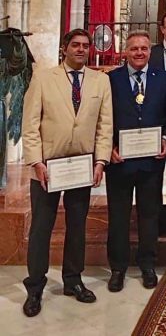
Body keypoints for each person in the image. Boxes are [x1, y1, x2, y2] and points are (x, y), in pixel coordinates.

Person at [21, 29, 113, 317]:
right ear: (65, 48)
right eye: (75, 45)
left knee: (77, 226)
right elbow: (30, 124)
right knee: (41, 228)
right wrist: (37, 162)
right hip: (48, 167)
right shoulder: (43, 78)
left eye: (85, 46)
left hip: (81, 167)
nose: (81, 50)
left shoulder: (101, 81)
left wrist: (100, 162)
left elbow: (104, 125)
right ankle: (35, 286)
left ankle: (73, 280)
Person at [105, 31, 166, 293]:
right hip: (120, 161)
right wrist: (109, 146)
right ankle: (118, 268)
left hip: (150, 162)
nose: (139, 53)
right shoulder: (112, 80)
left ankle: (147, 264)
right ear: (126, 51)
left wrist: (165, 138)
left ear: (150, 52)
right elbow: (104, 116)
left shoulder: (162, 78)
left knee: (150, 215)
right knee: (119, 216)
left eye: (144, 49)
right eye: (134, 49)